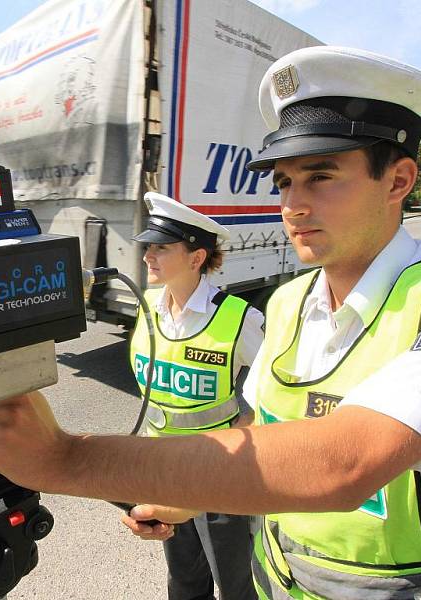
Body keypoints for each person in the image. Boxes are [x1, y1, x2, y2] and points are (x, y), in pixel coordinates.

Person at [0, 46, 421, 599]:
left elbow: (347, 463)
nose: (293, 205)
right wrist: (183, 495)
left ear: (398, 181)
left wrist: (68, 459)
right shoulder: (291, 301)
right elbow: (261, 434)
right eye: (284, 182)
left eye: (320, 177)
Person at [125, 191, 264, 600]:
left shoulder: (239, 318)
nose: (148, 256)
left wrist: (243, 429)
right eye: (148, 247)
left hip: (219, 474)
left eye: (161, 248)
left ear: (196, 257)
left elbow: (273, 392)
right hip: (165, 472)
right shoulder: (147, 305)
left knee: (236, 582)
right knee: (184, 581)